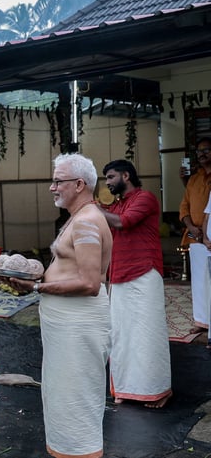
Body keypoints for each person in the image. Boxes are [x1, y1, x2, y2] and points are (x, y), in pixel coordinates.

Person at [6, 153, 112, 458]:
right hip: (67, 325)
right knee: (63, 395)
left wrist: (36, 287)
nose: (52, 188)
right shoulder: (79, 218)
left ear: (79, 184)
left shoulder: (87, 221)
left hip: (78, 325)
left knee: (76, 396)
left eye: (58, 181)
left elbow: (90, 283)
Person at [99, 160, 172, 408]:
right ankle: (127, 389)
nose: (107, 183)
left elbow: (123, 222)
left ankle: (158, 390)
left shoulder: (146, 198)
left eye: (111, 177)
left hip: (144, 274)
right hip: (119, 275)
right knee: (121, 334)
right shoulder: (117, 205)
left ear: (126, 176)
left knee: (148, 334)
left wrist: (91, 208)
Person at [179, 137, 211, 333]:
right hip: (195, 235)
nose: (202, 154)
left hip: (210, 235)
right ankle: (202, 322)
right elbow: (184, 207)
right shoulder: (193, 179)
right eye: (199, 151)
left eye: (206, 150)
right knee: (199, 281)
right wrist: (191, 227)